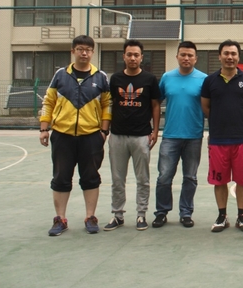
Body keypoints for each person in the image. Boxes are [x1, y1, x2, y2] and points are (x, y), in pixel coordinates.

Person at [40, 35, 112, 236]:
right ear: (73, 51)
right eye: (80, 49)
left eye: (88, 50)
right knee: (61, 177)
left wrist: (104, 131)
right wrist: (44, 128)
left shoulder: (101, 77)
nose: (84, 53)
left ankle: (90, 217)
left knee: (90, 177)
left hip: (91, 136)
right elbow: (48, 102)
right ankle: (60, 219)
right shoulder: (60, 75)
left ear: (92, 52)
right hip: (62, 135)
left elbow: (107, 105)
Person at [104, 40, 161, 232]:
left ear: (142, 57)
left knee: (142, 178)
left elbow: (155, 105)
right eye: (129, 54)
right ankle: (117, 215)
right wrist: (106, 130)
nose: (133, 58)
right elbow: (110, 104)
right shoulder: (115, 79)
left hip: (141, 136)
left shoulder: (149, 79)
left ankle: (141, 214)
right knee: (117, 179)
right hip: (117, 136)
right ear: (124, 57)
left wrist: (155, 131)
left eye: (136, 55)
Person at [201, 40, 243, 233]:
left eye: (233, 54)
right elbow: (205, 107)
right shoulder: (210, 81)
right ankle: (222, 216)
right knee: (219, 180)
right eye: (226, 53)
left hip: (242, 139)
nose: (230, 57)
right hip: (218, 140)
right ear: (220, 56)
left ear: (238, 57)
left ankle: (242, 216)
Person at [152, 41, 207, 229]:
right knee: (164, 177)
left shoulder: (203, 79)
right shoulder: (167, 77)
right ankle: (161, 212)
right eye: (183, 54)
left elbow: (209, 106)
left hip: (194, 136)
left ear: (196, 58)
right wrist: (154, 130)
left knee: (190, 177)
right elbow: (156, 102)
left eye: (190, 55)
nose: (186, 58)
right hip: (170, 136)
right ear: (177, 56)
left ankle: (186, 213)